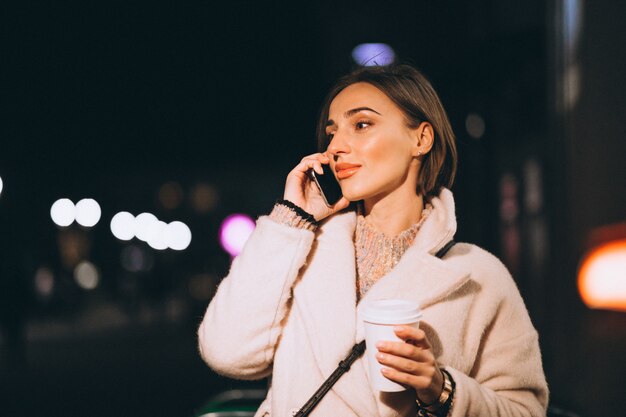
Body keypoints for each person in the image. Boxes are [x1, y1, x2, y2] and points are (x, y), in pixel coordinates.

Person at [197, 64, 548, 417]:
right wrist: (291, 217)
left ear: (421, 139)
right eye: (331, 133)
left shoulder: (477, 276)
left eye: (361, 124)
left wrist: (441, 390)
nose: (335, 147)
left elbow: (525, 410)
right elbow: (227, 353)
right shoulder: (300, 251)